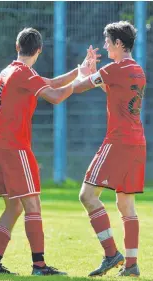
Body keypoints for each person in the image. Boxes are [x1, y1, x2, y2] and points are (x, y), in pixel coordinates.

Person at [0, 27, 93, 276]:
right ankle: (39, 266)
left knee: (14, 207)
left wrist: (80, 70)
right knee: (33, 206)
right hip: (14, 147)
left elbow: (51, 83)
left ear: (16, 46)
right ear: (39, 50)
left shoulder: (10, 70)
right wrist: (78, 83)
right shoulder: (24, 74)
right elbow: (55, 96)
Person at [73, 21, 146, 278]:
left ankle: (110, 253)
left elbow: (78, 87)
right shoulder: (136, 69)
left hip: (118, 141)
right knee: (126, 205)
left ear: (118, 43)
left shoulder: (115, 68)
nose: (105, 45)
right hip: (137, 142)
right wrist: (94, 72)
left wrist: (84, 72)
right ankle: (132, 265)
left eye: (107, 41)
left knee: (87, 196)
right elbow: (111, 88)